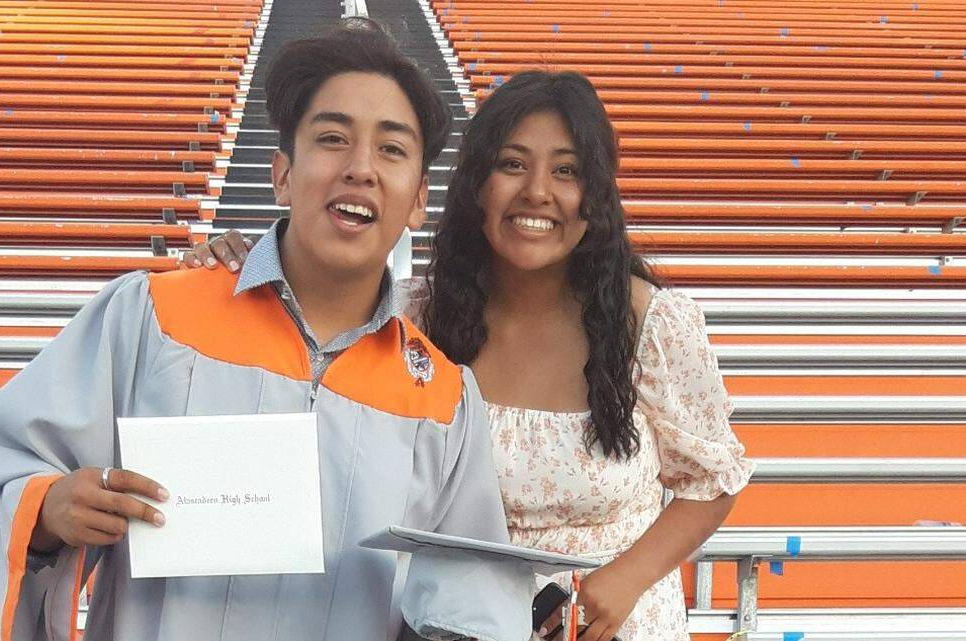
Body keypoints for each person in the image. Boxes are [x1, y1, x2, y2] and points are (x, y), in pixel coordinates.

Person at [0, 19, 534, 641]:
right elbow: (9, 462)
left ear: (420, 199)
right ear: (283, 174)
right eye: (333, 138)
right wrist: (49, 509)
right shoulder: (154, 319)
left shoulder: (442, 403)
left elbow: (470, 592)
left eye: (392, 149)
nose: (361, 169)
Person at [188, 70, 755, 641]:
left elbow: (714, 481)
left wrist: (627, 579)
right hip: (445, 625)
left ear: (597, 196)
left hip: (608, 625)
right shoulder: (409, 319)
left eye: (567, 171)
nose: (537, 190)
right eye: (512, 164)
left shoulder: (651, 325)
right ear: (475, 186)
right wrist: (236, 263)